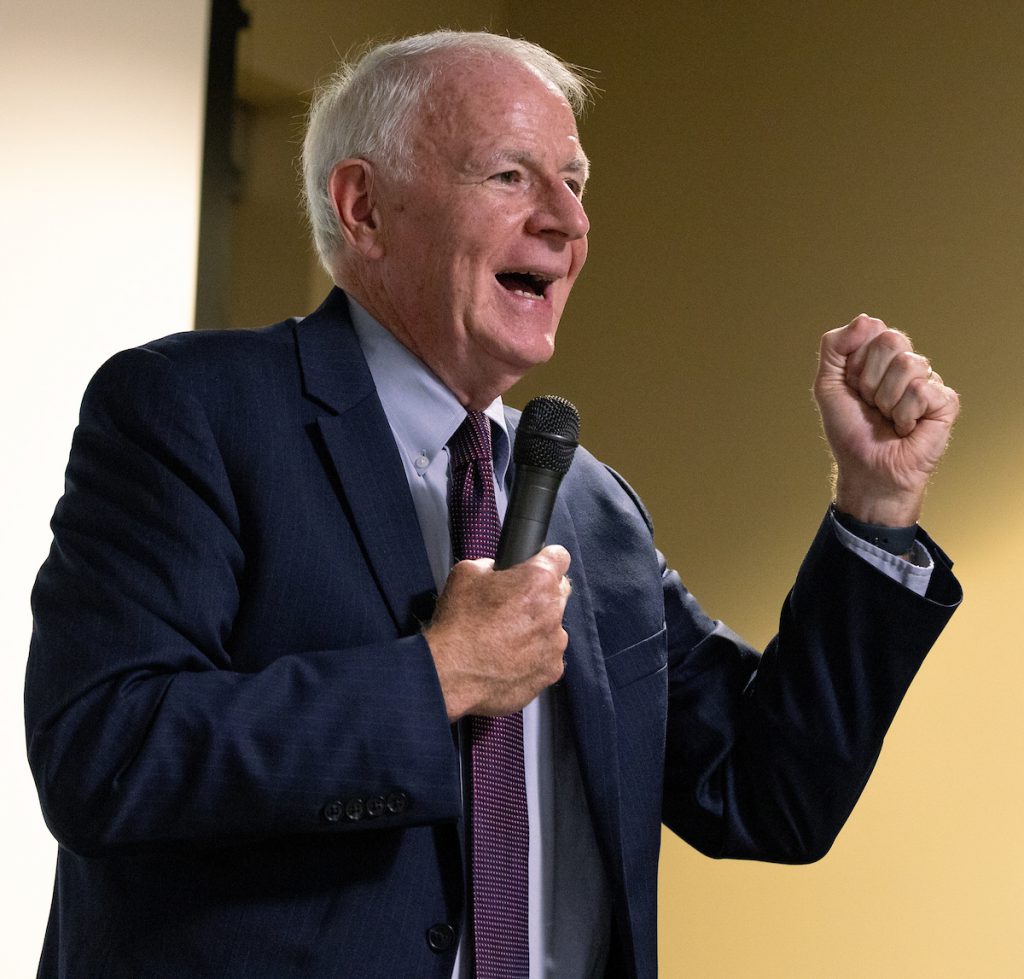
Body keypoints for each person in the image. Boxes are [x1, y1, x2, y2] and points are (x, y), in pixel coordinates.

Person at [25, 30, 961, 979]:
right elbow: (103, 754)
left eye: (576, 183)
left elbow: (768, 794)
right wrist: (438, 674)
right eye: (511, 175)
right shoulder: (194, 410)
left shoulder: (592, 505)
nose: (567, 220)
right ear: (364, 208)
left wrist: (875, 501)